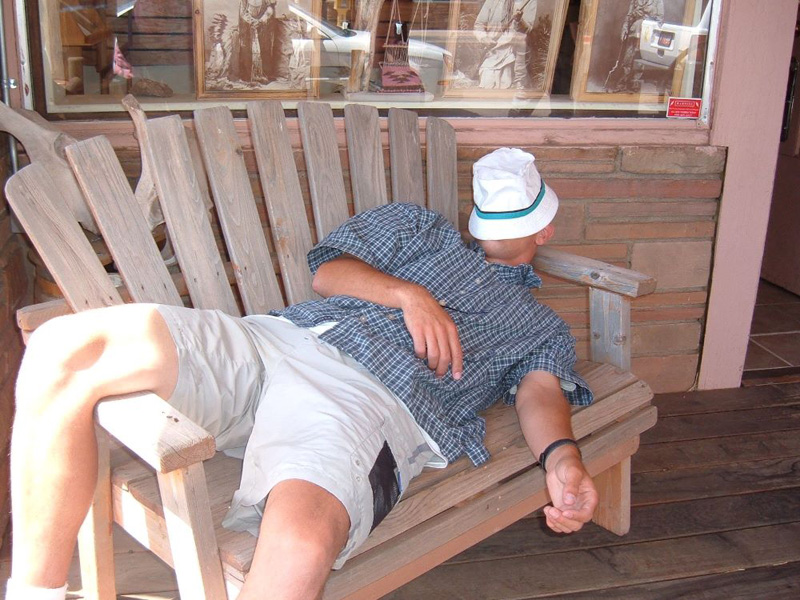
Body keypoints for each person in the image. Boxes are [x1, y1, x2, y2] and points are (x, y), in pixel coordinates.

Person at [7, 148, 598, 600]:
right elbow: (328, 272)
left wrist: (563, 459)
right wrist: (409, 295)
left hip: (367, 400)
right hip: (277, 339)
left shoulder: (539, 326)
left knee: (300, 542)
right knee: (66, 349)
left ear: (543, 231)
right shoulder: (419, 228)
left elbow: (540, 394)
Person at [473, 0, 537, 89]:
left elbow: (527, 30)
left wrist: (519, 20)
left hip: (514, 53)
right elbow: (479, 25)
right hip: (492, 52)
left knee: (507, 82)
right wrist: (485, 38)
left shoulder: (529, 1)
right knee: (487, 81)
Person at [604, 0, 665, 93]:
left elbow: (660, 21)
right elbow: (629, 15)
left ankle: (634, 83)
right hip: (634, 31)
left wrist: (651, 29)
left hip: (647, 34)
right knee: (627, 58)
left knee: (640, 59)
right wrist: (625, 28)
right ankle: (622, 83)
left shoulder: (658, 1)